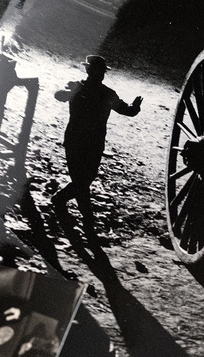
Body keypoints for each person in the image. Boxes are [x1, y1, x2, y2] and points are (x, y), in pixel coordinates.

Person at [51, 54, 142, 239]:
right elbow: (58, 95)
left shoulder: (98, 92)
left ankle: (61, 200)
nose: (100, 75)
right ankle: (88, 222)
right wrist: (135, 107)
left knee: (83, 181)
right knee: (82, 182)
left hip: (82, 142)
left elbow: (127, 110)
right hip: (85, 142)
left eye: (101, 72)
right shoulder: (100, 92)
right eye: (98, 71)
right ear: (89, 71)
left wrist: (134, 107)